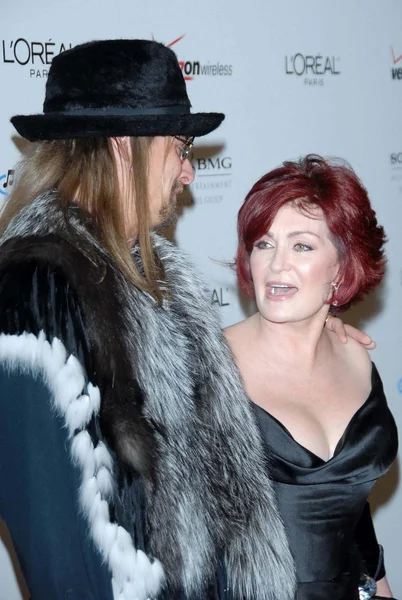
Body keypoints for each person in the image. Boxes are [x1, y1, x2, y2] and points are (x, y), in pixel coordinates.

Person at [0, 40, 374, 600]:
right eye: (179, 148)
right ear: (126, 148)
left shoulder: (157, 283)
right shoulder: (33, 290)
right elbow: (61, 558)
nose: (188, 173)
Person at [225, 155, 398, 600]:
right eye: (263, 244)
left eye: (301, 246)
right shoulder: (208, 367)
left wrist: (380, 586)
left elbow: (348, 507)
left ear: (342, 267)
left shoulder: (356, 358)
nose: (276, 265)